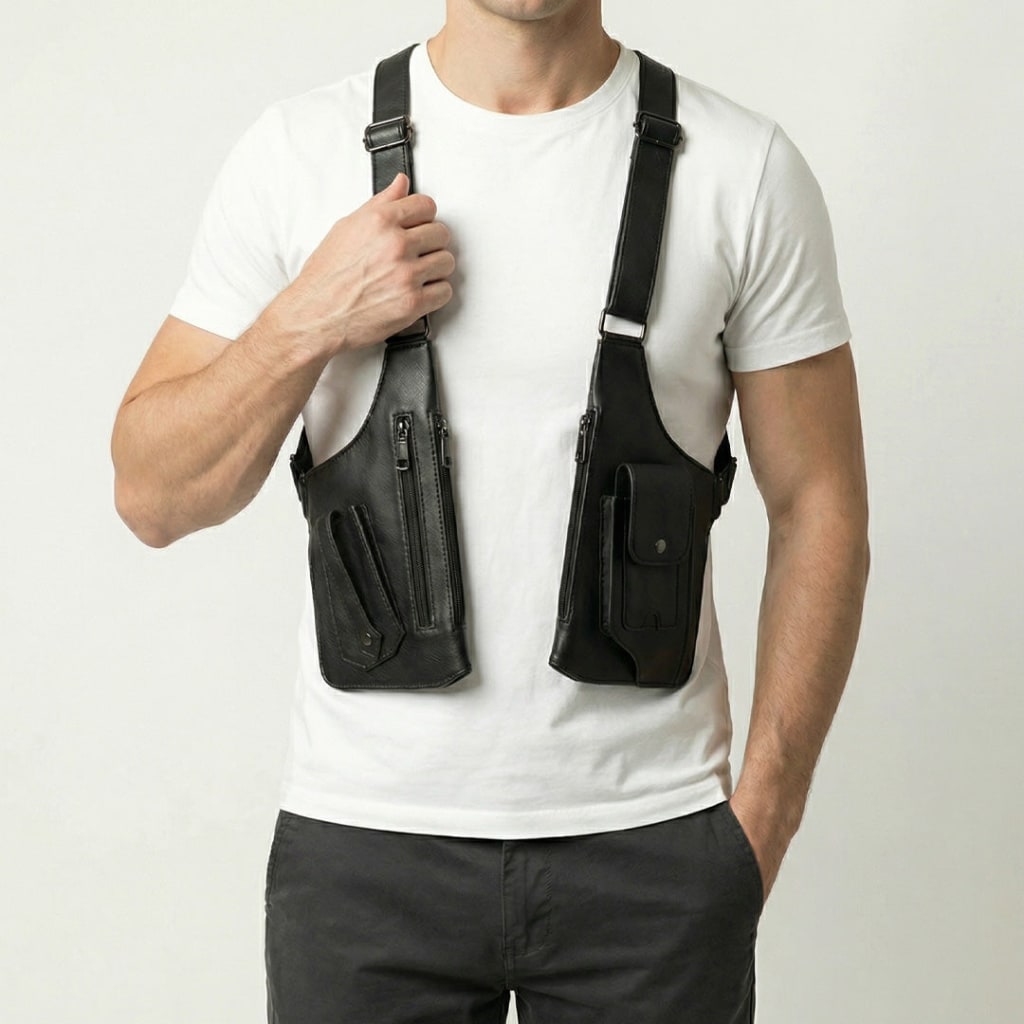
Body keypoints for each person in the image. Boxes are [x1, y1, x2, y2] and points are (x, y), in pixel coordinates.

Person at [110, 1, 870, 1020]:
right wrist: (307, 320)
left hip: (654, 850)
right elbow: (153, 496)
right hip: (362, 855)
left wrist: (758, 824)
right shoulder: (296, 153)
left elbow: (820, 502)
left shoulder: (743, 167)